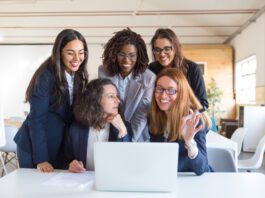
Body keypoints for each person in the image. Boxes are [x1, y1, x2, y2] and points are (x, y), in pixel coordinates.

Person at [14, 29, 89, 172]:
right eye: (70, 52)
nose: (77, 58)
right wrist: (41, 159)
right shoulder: (46, 76)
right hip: (35, 147)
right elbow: (37, 120)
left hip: (58, 144)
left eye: (81, 52)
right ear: (59, 52)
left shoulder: (78, 76)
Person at [149, 68, 212, 175]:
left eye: (171, 90)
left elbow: (202, 169)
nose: (163, 95)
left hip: (189, 180)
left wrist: (189, 141)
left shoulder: (194, 119)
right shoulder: (153, 117)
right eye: (159, 89)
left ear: (181, 93)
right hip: (163, 178)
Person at [98, 28, 155, 142]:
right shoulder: (103, 71)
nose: (126, 60)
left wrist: (128, 140)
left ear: (138, 56)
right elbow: (104, 105)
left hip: (137, 137)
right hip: (110, 131)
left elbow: (141, 115)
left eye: (132, 55)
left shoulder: (149, 78)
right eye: (121, 54)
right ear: (114, 54)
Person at [64, 78, 132, 173]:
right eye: (111, 96)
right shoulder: (75, 129)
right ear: (95, 100)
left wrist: (123, 132)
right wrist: (71, 165)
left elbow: (128, 165)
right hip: (82, 184)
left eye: (117, 96)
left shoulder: (125, 127)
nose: (118, 101)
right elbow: (65, 161)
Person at [149, 28, 208, 111]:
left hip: (185, 119)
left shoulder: (193, 69)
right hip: (159, 120)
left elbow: (203, 104)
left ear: (175, 48)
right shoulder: (151, 69)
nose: (162, 54)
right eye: (157, 50)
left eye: (167, 49)